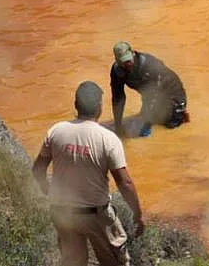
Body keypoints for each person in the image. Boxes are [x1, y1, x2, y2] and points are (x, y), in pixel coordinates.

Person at [31, 81, 144, 266]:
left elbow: (38, 170)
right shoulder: (108, 139)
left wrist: (48, 191)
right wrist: (137, 214)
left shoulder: (56, 131)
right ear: (99, 107)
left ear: (76, 105)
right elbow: (125, 183)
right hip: (96, 216)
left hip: (63, 213)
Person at [110, 41, 188, 138]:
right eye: (123, 62)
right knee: (142, 118)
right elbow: (118, 98)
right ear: (117, 61)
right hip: (150, 96)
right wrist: (118, 126)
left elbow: (154, 96)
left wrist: (146, 125)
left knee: (170, 126)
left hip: (172, 93)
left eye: (128, 60)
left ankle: (181, 114)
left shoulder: (149, 65)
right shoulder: (117, 72)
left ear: (133, 53)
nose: (128, 64)